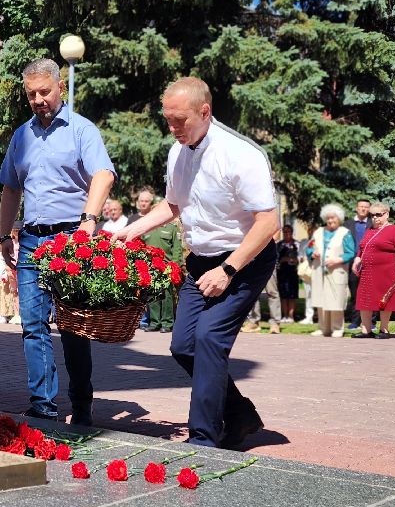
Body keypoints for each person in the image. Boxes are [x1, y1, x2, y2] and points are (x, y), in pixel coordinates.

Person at [119, 78, 277, 447]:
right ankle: (240, 414)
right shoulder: (179, 150)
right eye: (167, 119)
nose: (172, 128)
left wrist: (228, 270)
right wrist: (133, 230)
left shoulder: (241, 154)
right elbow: (175, 202)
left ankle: (204, 439)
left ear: (204, 112)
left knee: (209, 340)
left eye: (179, 120)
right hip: (202, 261)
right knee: (183, 345)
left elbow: (268, 223)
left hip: (243, 261)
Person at [0, 57, 116, 423]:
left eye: (44, 91)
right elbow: (10, 187)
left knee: (73, 326)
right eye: (31, 94)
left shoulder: (82, 130)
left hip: (70, 240)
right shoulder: (21, 136)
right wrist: (3, 235)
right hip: (32, 240)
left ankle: (81, 405)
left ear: (59, 87)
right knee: (32, 325)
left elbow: (103, 174)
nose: (38, 99)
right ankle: (43, 407)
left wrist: (89, 221)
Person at [353, 203, 395, 338]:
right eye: (372, 215)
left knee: (385, 300)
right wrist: (357, 259)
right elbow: (362, 248)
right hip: (367, 272)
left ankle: (384, 329)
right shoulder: (370, 231)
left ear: (387, 214)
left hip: (386, 272)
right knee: (365, 300)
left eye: (379, 215)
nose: (375, 218)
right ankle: (366, 330)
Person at [140, 187, 183, 333]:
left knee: (167, 297)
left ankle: (167, 323)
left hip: (166, 267)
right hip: (150, 267)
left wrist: (174, 266)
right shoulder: (147, 228)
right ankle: (154, 322)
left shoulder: (171, 228)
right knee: (152, 296)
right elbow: (140, 246)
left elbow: (177, 248)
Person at [308, 205, 354, 338]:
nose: (330, 220)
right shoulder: (318, 232)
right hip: (319, 271)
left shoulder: (345, 233)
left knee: (336, 300)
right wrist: (312, 253)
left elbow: (350, 253)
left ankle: (337, 328)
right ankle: (323, 329)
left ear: (339, 219)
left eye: (333, 218)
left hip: (337, 271)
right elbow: (309, 248)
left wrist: (337, 260)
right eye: (328, 218)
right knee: (321, 299)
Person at [346, 198, 372, 330]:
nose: (363, 209)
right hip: (352, 264)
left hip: (370, 263)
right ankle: (355, 321)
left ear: (369, 209)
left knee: (370, 292)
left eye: (366, 207)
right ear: (356, 208)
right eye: (361, 206)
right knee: (355, 292)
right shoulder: (348, 224)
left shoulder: (373, 224)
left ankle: (371, 322)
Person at [276, 224, 301, 323]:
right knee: (283, 295)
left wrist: (295, 260)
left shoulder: (297, 244)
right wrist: (282, 260)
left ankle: (291, 316)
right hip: (282, 272)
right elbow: (276, 260)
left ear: (292, 233)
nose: (286, 234)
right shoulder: (279, 245)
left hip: (293, 272)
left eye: (288, 232)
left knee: (292, 295)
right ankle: (284, 315)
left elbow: (301, 258)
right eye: (285, 232)